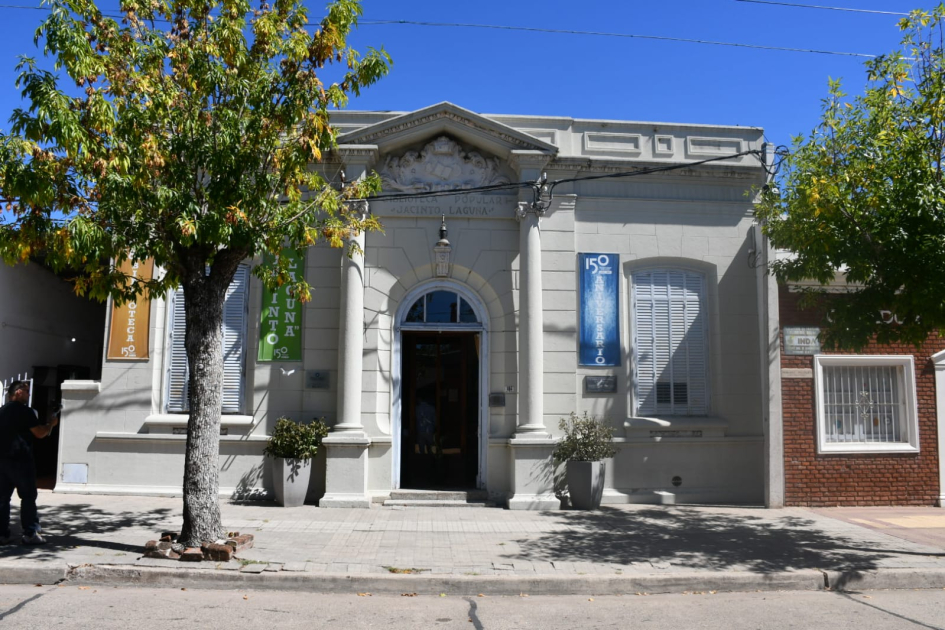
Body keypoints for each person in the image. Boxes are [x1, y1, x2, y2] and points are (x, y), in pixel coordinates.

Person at [0, 380, 59, 545]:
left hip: (3, 461)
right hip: (21, 461)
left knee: (3, 498)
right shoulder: (25, 412)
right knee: (27, 496)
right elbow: (39, 433)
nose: (28, 395)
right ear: (18, 392)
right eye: (26, 392)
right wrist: (50, 424)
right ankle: (30, 532)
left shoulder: (2, 411)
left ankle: (2, 533)